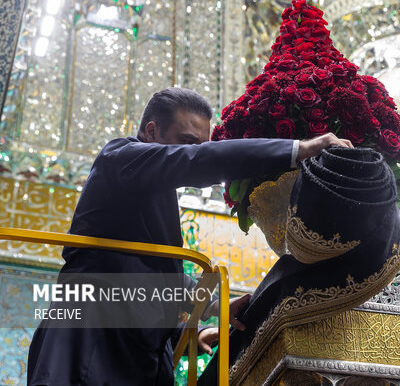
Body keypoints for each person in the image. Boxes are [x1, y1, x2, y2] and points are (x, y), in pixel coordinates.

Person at [27, 87, 353, 386]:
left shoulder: (155, 193)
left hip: (137, 359)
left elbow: (158, 275)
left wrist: (213, 310)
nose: (196, 153)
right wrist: (299, 149)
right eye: (188, 142)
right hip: (86, 349)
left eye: (203, 144)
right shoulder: (120, 157)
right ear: (152, 131)